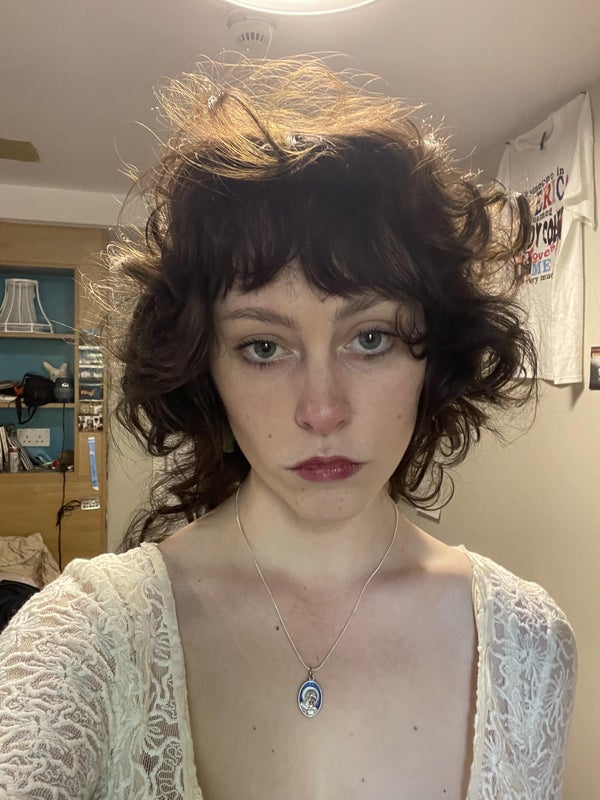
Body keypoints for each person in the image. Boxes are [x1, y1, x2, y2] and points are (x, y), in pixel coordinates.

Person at [0, 57, 576, 800]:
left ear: (435, 355)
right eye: (264, 348)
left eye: (371, 338)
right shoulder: (82, 643)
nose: (322, 410)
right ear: (205, 368)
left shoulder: (530, 645)